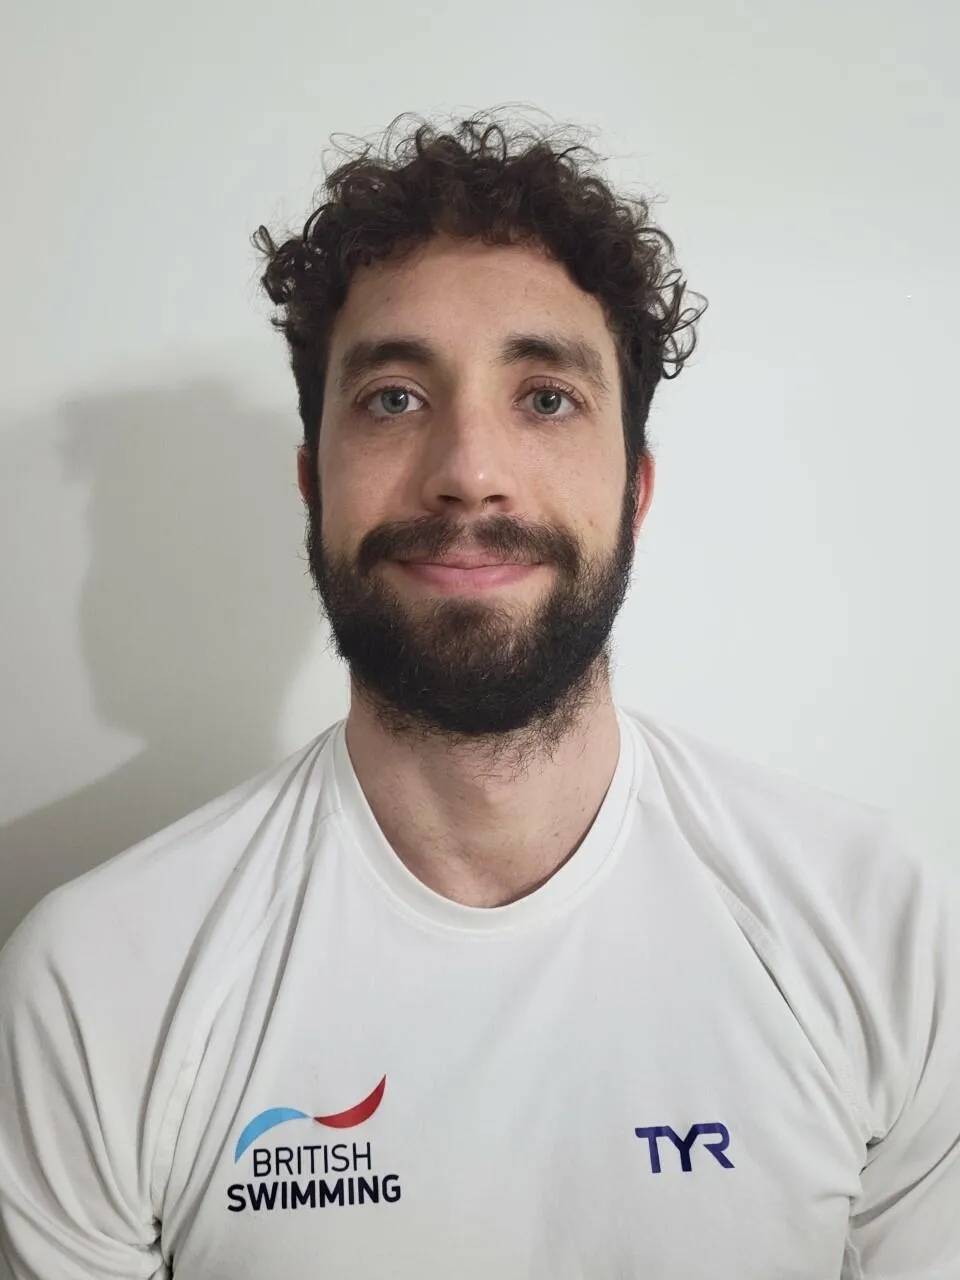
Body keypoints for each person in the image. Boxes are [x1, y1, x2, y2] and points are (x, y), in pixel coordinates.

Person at [0, 112, 958, 1280]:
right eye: (393, 398)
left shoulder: (884, 929)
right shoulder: (101, 982)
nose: (468, 471)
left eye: (545, 397)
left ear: (635, 488)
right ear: (312, 483)